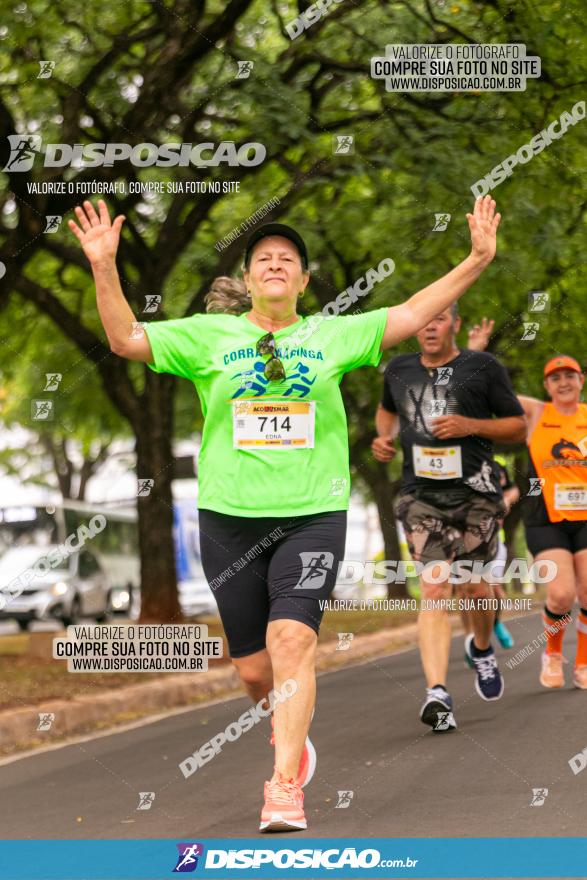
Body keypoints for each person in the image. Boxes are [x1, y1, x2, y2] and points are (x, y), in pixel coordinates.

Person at [69, 195, 501, 831]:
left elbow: (412, 311)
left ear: (302, 280)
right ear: (246, 280)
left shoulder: (332, 333)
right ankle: (287, 731)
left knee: (292, 640)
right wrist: (105, 267)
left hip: (312, 514)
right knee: (252, 668)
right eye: (263, 259)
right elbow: (125, 338)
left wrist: (477, 258)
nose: (276, 265)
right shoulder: (206, 335)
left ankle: (282, 788)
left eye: (288, 260)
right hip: (228, 517)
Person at [372, 305, 526, 732]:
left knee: (477, 588)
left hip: (477, 496)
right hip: (422, 497)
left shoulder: (484, 367)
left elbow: (517, 427)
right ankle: (437, 693)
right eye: (423, 320)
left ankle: (480, 647)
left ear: (455, 324)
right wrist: (382, 439)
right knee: (436, 584)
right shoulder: (398, 370)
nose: (429, 327)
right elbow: (387, 411)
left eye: (439, 319)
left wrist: (468, 425)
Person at [467, 324, 587, 691]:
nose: (563, 382)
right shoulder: (536, 414)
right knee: (562, 594)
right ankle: (552, 653)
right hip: (545, 518)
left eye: (569, 375)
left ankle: (582, 662)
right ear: (547, 385)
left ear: (580, 380)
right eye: (555, 378)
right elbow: (488, 390)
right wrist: (476, 353)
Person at [459, 461, 520, 655]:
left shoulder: (493, 466)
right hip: (458, 539)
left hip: (491, 539)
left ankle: (495, 622)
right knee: (465, 592)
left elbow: (513, 489)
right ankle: (471, 639)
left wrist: (507, 500)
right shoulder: (451, 463)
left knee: (496, 591)